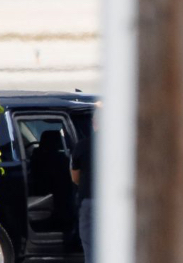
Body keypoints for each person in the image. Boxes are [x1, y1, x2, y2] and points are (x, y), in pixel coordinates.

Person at [71, 101, 100, 262]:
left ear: (94, 123)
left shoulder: (82, 146)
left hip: (89, 201)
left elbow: (75, 178)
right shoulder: (120, 146)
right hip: (115, 203)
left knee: (90, 248)